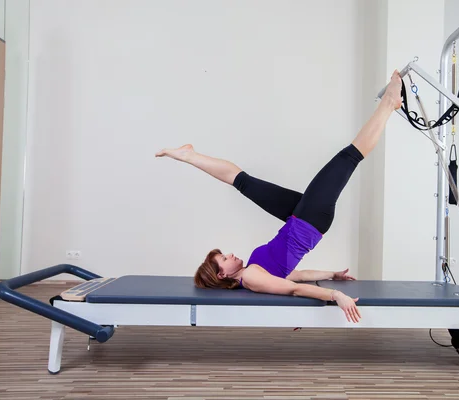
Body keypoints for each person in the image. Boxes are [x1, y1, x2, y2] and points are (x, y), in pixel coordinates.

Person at [156, 70, 403, 323]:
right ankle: (389, 104)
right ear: (221, 275)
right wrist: (335, 294)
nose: (229, 254)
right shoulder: (250, 277)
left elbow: (296, 275)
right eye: (224, 259)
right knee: (348, 158)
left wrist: (332, 274)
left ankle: (190, 155)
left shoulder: (250, 269)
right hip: (310, 221)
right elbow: (294, 289)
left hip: (296, 219)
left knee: (243, 182)